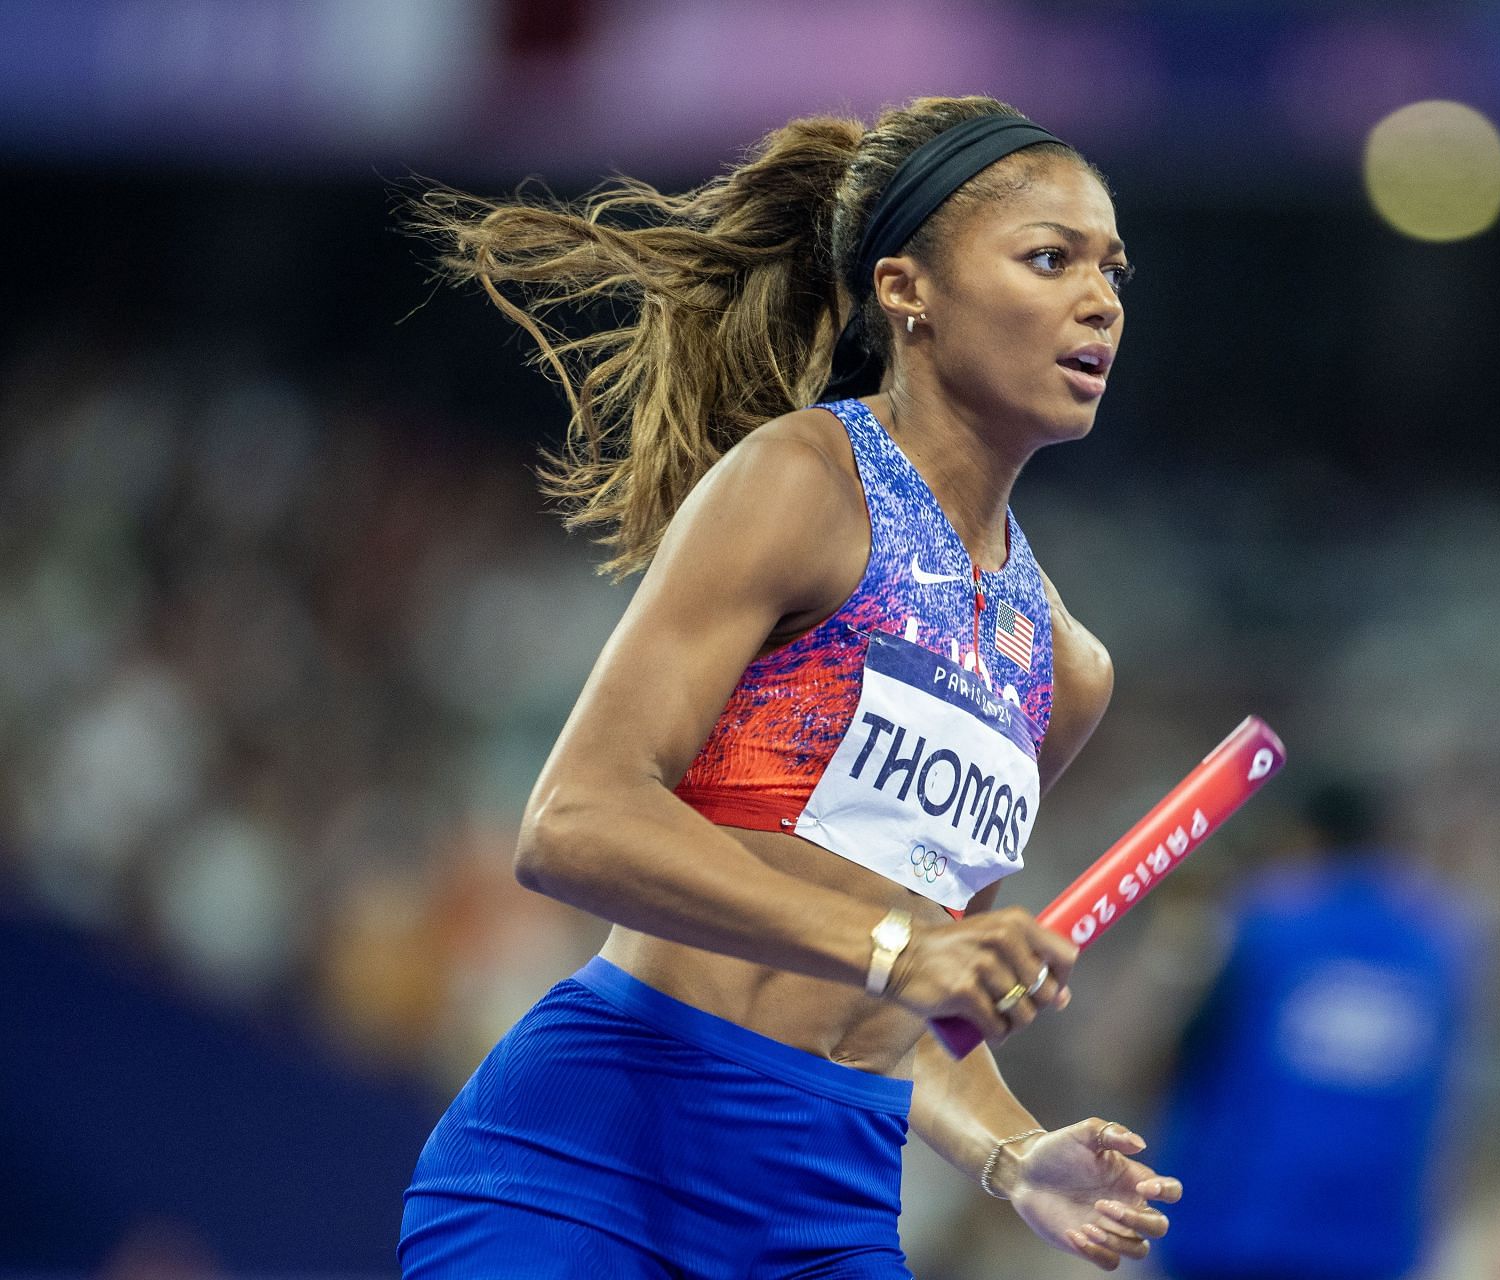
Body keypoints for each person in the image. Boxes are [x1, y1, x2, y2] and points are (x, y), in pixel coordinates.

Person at [397, 96, 1181, 1277]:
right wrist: (889, 947)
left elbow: (917, 1007)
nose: (1101, 299)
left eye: (1113, 269)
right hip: (592, 1168)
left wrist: (1014, 1152)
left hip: (826, 1212)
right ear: (906, 288)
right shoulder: (804, 482)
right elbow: (575, 820)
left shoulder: (1066, 669)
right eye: (1049, 257)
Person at [1154, 781, 1482, 1280]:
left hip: (1234, 1230)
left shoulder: (1260, 920)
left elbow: (1156, 1057)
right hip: (1374, 1241)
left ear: (1303, 837)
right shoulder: (1441, 945)